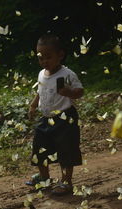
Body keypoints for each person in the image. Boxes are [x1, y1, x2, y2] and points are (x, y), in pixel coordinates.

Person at [26, 33, 84, 195]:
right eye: (40, 58)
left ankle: (66, 182)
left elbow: (80, 91)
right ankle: (44, 178)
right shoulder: (41, 74)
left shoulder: (67, 74)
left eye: (48, 57)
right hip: (46, 119)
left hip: (65, 118)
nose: (44, 61)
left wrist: (68, 92)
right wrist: (33, 105)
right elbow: (40, 91)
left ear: (60, 55)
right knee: (39, 148)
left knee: (66, 150)